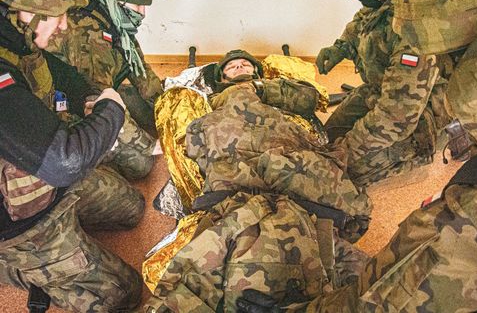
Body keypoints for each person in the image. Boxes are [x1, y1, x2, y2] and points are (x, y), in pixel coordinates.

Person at [237, 0, 477, 312]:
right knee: (330, 138)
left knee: (344, 171)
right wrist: (338, 51)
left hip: (413, 122)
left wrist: (344, 156)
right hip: (387, 95)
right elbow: (361, 28)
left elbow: (382, 298)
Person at [143, 50, 371, 312]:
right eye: (231, 66)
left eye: (245, 64)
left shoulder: (273, 91)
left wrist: (261, 89)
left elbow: (308, 99)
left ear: (256, 72)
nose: (239, 67)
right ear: (221, 78)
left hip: (282, 158)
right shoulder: (210, 102)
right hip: (242, 169)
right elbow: (193, 139)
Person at [0, 0, 144, 312]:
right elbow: (66, 161)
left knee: (132, 208)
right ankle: (16, 266)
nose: (64, 25)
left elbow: (61, 75)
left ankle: (65, 250)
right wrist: (111, 108)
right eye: (57, 15)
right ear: (24, 9)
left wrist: (87, 98)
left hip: (45, 178)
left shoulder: (16, 38)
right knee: (123, 294)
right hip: (17, 219)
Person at [317, 0, 448, 186]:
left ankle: (432, 144)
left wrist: (348, 150)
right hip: (381, 90)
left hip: (420, 112)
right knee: (327, 137)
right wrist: (341, 47)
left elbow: (398, 116)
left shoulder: (416, 26)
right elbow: (365, 21)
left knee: (342, 171)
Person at [47, 0, 164, 180]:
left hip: (101, 91)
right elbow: (96, 101)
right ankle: (93, 168)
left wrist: (167, 104)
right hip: (70, 110)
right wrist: (148, 145)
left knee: (145, 107)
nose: (143, 13)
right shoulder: (89, 35)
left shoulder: (112, 16)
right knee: (141, 163)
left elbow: (140, 72)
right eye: (139, 4)